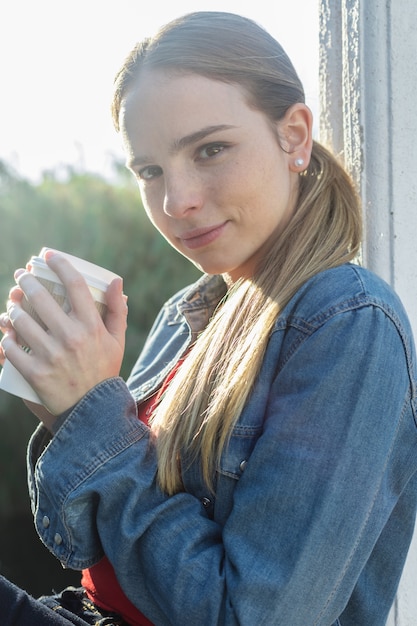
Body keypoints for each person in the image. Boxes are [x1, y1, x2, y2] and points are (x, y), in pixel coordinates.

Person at [0, 10, 416, 626]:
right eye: (150, 171)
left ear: (295, 136)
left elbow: (255, 618)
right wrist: (68, 412)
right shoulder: (191, 313)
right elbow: (83, 547)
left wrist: (94, 414)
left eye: (211, 149)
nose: (178, 201)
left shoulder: (349, 322)